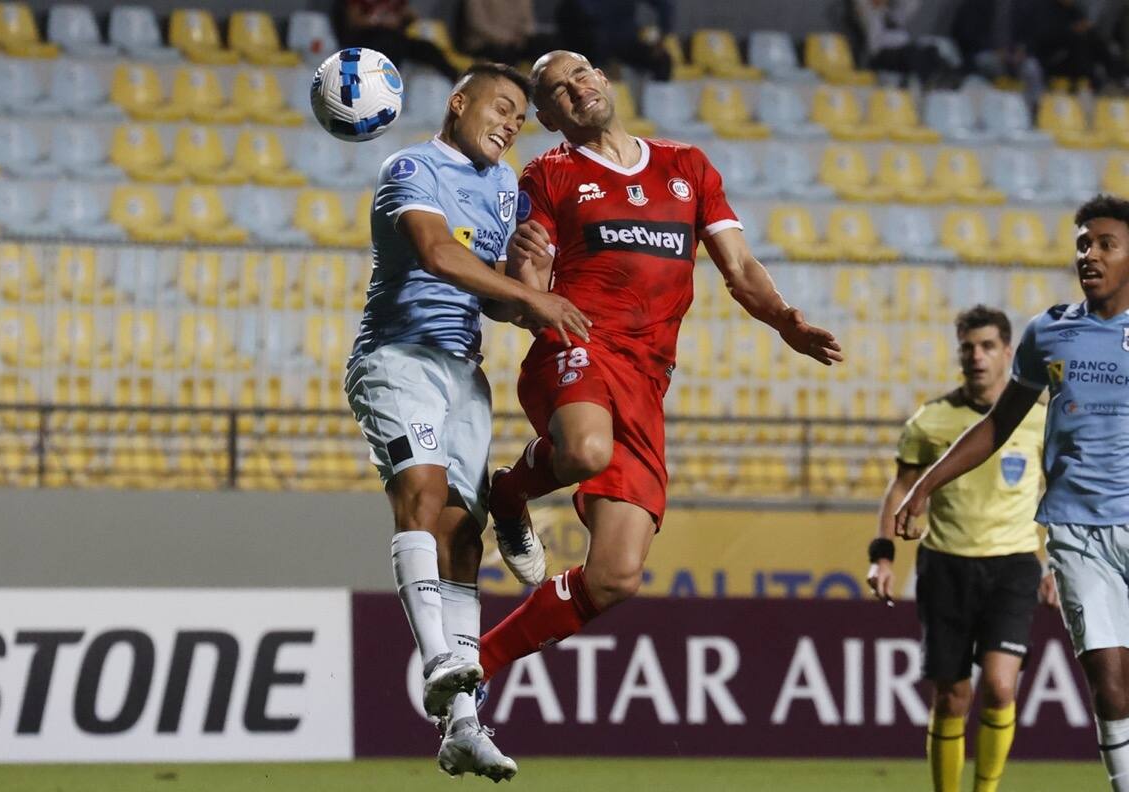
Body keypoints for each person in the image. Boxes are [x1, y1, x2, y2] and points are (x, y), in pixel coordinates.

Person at [476, 50, 843, 684]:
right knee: (587, 450)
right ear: (546, 115)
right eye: (558, 90)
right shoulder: (547, 176)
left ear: (604, 78)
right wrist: (522, 276)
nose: (577, 90)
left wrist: (786, 320)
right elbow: (528, 295)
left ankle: (475, 663)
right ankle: (509, 496)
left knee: (616, 577)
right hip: (577, 347)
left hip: (647, 379)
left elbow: (741, 270)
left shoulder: (688, 167)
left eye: (582, 74)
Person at [343, 61, 590, 781]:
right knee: (419, 494)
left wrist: (529, 282)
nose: (513, 124)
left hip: (463, 371)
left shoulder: (505, 188)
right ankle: (441, 658)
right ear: (459, 103)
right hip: (397, 356)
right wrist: (533, 302)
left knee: (462, 535)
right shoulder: (410, 166)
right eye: (503, 107)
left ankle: (464, 726)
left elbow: (500, 303)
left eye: (521, 118)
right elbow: (436, 252)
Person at [895, 194, 1129, 792]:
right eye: (1083, 243)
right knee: (1110, 682)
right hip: (1077, 532)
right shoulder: (1049, 332)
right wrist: (925, 484)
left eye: (1105, 244)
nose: (1089, 255)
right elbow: (998, 425)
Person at [867, 305, 1054, 792]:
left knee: (999, 685)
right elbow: (900, 489)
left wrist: (1056, 561)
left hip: (1013, 563)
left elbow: (1057, 490)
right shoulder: (930, 422)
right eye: (968, 347)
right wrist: (882, 554)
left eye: (988, 346)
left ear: (1008, 353)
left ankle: (986, 790)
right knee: (952, 696)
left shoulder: (1038, 420)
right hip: (945, 564)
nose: (977, 356)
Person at [333, 0, 459, 82]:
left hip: (395, 37)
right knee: (389, 43)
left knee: (427, 48)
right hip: (364, 38)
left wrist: (404, 18)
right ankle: (385, 87)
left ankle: (458, 80)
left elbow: (409, 16)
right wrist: (379, 22)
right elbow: (353, 22)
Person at [951, 0, 1045, 105]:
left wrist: (1022, 50)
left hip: (1013, 57)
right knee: (990, 62)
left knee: (1031, 67)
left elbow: (1032, 36)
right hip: (984, 54)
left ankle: (1034, 108)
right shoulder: (974, 4)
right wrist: (995, 51)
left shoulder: (1023, 5)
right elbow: (966, 35)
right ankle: (999, 103)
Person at [554, 0, 674, 81]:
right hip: (591, 46)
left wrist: (661, 37)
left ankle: (657, 111)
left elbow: (664, 6)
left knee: (662, 60)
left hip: (625, 42)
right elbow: (566, 20)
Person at [852, 0, 953, 87]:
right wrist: (876, 8)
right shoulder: (866, 7)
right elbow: (873, 42)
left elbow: (905, 14)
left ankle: (947, 78)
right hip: (877, 53)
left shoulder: (894, 8)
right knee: (913, 55)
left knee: (931, 50)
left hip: (900, 47)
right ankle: (932, 84)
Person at [1036, 0, 1126, 91]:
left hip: (1075, 54)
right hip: (1054, 56)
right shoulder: (1047, 10)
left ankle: (1116, 76)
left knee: (1093, 37)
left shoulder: (1074, 10)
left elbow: (1083, 25)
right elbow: (1045, 36)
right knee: (1079, 40)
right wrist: (1071, 30)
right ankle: (1094, 79)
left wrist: (1084, 27)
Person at [457, 0, 556, 66]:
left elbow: (528, 22)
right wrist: (506, 38)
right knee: (504, 54)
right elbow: (478, 24)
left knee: (546, 45)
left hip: (517, 40)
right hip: (484, 43)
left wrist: (523, 35)